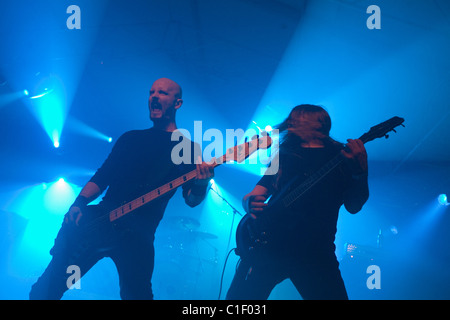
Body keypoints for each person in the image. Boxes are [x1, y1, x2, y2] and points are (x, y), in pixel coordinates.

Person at [29, 78, 214, 300]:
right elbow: (103, 176)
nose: (154, 96)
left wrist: (202, 182)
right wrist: (78, 204)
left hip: (138, 235)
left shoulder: (188, 148)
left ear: (177, 103)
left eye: (162, 93)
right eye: (151, 92)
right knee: (49, 289)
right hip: (98, 223)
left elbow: (191, 200)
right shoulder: (131, 138)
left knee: (137, 296)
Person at [226, 104, 369, 300]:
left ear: (320, 123)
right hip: (270, 246)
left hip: (315, 251)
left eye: (299, 118)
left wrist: (361, 170)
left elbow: (354, 206)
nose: (291, 122)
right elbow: (254, 193)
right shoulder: (284, 155)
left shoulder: (342, 157)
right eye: (291, 118)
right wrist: (249, 202)